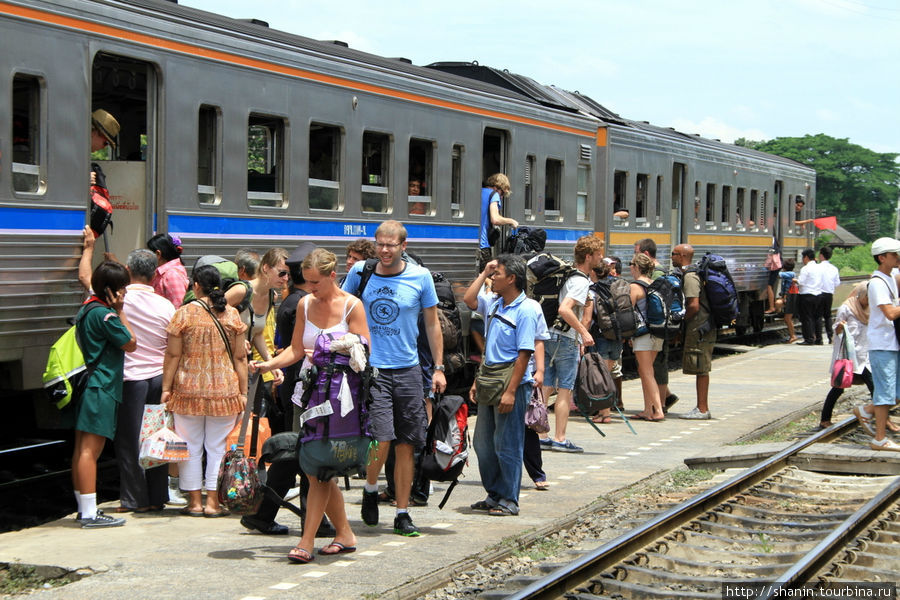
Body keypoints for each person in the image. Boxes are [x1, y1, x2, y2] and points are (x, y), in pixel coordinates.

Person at [253, 248, 369, 563]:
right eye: (307, 282)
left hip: (340, 400)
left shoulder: (351, 306)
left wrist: (328, 350)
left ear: (333, 276)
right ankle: (344, 533)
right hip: (309, 396)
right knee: (317, 468)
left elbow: (364, 354)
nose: (310, 288)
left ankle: (306, 541)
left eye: (316, 282)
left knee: (317, 469)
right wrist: (268, 365)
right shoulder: (305, 303)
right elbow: (294, 349)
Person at [342, 220, 446, 537]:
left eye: (391, 245)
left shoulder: (420, 276)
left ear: (404, 246)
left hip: (409, 369)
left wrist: (438, 367)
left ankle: (402, 512)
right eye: (380, 244)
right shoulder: (361, 272)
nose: (385, 250)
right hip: (372, 369)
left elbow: (432, 325)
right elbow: (341, 310)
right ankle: (371, 488)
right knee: (381, 437)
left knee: (407, 444)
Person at [162, 265, 248, 516]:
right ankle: (213, 502)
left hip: (188, 391)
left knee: (188, 446)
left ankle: (194, 503)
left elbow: (173, 354)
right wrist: (243, 392)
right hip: (225, 392)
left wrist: (166, 388)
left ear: (196, 285)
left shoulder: (183, 314)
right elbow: (240, 358)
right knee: (218, 447)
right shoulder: (231, 315)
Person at [464, 255, 541, 515]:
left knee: (506, 443)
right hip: (490, 379)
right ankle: (494, 493)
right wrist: (485, 272)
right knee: (483, 443)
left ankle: (509, 499)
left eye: (498, 274)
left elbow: (524, 354)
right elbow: (469, 300)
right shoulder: (495, 304)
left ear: (512, 279)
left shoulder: (527, 309)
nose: (492, 278)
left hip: (512, 384)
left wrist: (510, 392)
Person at [73, 261, 137, 528]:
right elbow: (131, 343)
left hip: (92, 384)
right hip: (103, 387)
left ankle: (83, 507)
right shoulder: (106, 316)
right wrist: (121, 311)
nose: (125, 294)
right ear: (113, 291)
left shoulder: (88, 308)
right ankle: (89, 514)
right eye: (123, 289)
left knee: (81, 449)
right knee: (90, 450)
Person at [113, 249, 175, 513]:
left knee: (129, 441)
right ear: (153, 275)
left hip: (132, 379)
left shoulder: (121, 302)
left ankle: (133, 500)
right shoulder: (166, 305)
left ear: (128, 271)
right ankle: (157, 496)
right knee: (156, 437)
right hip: (159, 379)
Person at [540, 235, 604, 452]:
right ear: (588, 257)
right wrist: (584, 332)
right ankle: (560, 438)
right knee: (565, 389)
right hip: (564, 339)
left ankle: (542, 434)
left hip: (548, 334)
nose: (601, 258)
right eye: (598, 255)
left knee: (546, 386)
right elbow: (565, 309)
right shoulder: (580, 281)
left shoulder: (567, 275)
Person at [854, 238, 900, 451]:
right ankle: (879, 439)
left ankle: (866, 410)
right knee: (885, 392)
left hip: (892, 343)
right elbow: (890, 313)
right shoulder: (878, 283)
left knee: (895, 392)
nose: (898, 257)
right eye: (894, 254)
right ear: (883, 258)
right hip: (882, 344)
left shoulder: (891, 278)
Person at [821, 282, 873, 429]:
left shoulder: (871, 309)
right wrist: (839, 327)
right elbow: (836, 330)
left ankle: (880, 418)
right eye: (867, 298)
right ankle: (825, 419)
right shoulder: (847, 308)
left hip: (864, 356)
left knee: (874, 387)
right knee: (838, 387)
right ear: (860, 296)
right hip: (847, 357)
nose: (869, 301)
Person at [634, 239, 678, 412]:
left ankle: (658, 407)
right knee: (650, 369)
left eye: (635, 253)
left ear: (645, 255)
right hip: (658, 328)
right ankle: (657, 404)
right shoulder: (660, 273)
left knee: (650, 370)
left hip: (651, 329)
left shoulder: (655, 275)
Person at [674, 244, 715, 420]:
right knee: (701, 367)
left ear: (682, 255)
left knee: (701, 367)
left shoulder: (690, 276)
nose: (671, 257)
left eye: (674, 254)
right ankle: (701, 407)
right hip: (703, 325)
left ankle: (702, 408)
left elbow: (693, 304)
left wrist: (684, 321)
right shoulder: (693, 273)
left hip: (699, 327)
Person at [629, 253, 665, 421]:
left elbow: (628, 312)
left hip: (643, 335)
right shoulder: (655, 284)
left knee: (647, 372)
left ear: (636, 267)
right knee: (645, 371)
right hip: (658, 333)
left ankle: (658, 410)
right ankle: (647, 410)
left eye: (631, 264)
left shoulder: (635, 287)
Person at [478, 173, 518, 273]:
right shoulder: (494, 194)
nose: (501, 197)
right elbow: (495, 219)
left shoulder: (478, 192)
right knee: (490, 277)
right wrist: (511, 221)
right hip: (483, 245)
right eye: (502, 193)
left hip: (472, 242)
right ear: (497, 188)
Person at [147, 233, 188, 307]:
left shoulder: (171, 275)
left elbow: (178, 307)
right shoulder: (163, 273)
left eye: (149, 254)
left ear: (158, 254)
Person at [797, 248, 825, 345]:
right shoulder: (820, 268)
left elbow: (801, 282)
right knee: (817, 318)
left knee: (807, 318)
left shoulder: (805, 269)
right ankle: (819, 339)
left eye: (803, 257)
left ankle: (809, 339)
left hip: (807, 295)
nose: (803, 260)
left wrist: (794, 280)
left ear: (806, 257)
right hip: (819, 295)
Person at [818, 246, 841, 344]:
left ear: (821, 255)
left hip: (818, 293)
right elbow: (837, 283)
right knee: (827, 316)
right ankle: (830, 336)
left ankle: (818, 338)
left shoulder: (817, 267)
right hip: (829, 294)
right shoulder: (834, 268)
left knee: (818, 315)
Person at [780, 258, 799, 344]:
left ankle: (793, 336)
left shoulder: (790, 274)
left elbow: (779, 274)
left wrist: (784, 298)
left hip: (790, 295)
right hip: (790, 295)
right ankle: (792, 335)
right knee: (787, 318)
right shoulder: (790, 274)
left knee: (787, 318)